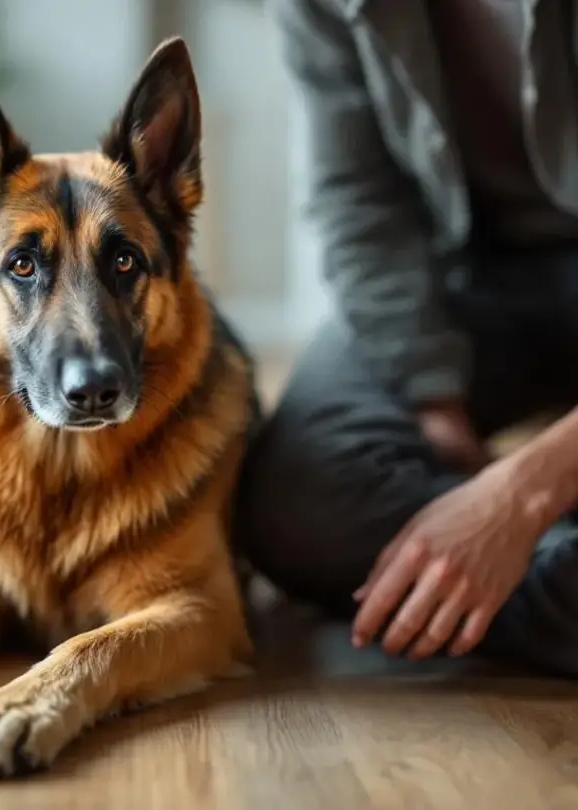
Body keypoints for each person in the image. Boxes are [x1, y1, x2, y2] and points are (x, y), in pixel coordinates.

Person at [236, 0, 578, 676]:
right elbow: (360, 199)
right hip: (473, 276)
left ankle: (458, 600)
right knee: (300, 504)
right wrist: (436, 406)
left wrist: (525, 494)